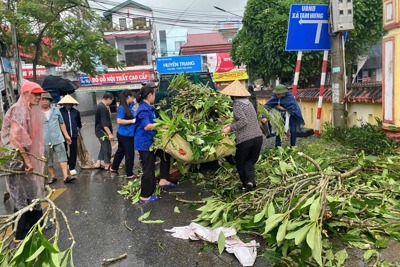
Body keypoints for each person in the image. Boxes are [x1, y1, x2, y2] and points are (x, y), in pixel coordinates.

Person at [0, 81, 47, 242]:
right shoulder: (19, 110)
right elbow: (15, 138)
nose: (39, 97)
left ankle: (35, 226)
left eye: (40, 94)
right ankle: (20, 233)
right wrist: (27, 161)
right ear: (26, 94)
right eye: (35, 94)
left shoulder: (30, 110)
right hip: (16, 160)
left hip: (24, 157)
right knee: (21, 194)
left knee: (32, 191)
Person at [135, 83, 176, 203]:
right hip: (144, 143)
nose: (155, 97)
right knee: (148, 169)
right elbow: (147, 126)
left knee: (165, 155)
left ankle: (163, 180)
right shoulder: (143, 109)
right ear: (149, 95)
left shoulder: (149, 107)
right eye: (154, 94)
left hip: (152, 141)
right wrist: (161, 125)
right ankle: (145, 196)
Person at [221, 80, 263, 192]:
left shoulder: (237, 104)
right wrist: (230, 124)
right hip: (258, 138)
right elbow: (247, 119)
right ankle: (251, 182)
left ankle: (245, 185)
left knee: (240, 163)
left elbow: (243, 121)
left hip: (246, 140)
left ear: (232, 95)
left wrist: (229, 128)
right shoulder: (249, 103)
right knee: (250, 162)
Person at [40, 93, 74, 184]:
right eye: (43, 99)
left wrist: (66, 135)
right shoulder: (37, 113)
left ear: (50, 101)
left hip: (58, 138)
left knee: (62, 157)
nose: (45, 101)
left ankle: (66, 176)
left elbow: (61, 123)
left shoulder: (56, 110)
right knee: (48, 159)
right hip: (44, 139)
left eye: (47, 99)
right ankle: (53, 176)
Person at [110, 90, 139, 179]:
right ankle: (129, 174)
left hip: (123, 133)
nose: (133, 99)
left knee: (121, 151)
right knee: (129, 154)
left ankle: (114, 167)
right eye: (132, 97)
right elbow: (119, 120)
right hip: (126, 135)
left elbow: (135, 107)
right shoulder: (122, 108)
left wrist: (136, 102)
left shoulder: (129, 105)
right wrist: (132, 121)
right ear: (128, 97)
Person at [59, 95, 82, 176]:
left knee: (73, 151)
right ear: (64, 104)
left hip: (73, 135)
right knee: (63, 150)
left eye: (70, 104)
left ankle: (72, 167)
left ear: (72, 104)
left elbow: (79, 123)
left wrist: (77, 129)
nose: (68, 105)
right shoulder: (60, 112)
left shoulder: (76, 112)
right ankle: (67, 162)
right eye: (66, 104)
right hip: (62, 135)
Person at [94, 92, 115, 170]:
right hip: (102, 131)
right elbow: (104, 123)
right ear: (108, 99)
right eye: (111, 101)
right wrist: (109, 134)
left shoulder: (99, 106)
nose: (111, 102)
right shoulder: (103, 108)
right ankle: (107, 164)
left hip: (98, 130)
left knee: (103, 146)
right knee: (106, 147)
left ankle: (98, 163)